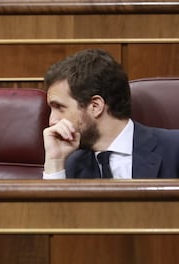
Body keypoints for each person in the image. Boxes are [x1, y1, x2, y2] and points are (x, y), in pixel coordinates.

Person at [42, 48, 179, 179]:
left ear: (95, 106)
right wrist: (55, 161)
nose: (52, 121)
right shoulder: (70, 165)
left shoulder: (174, 148)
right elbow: (55, 204)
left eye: (59, 107)